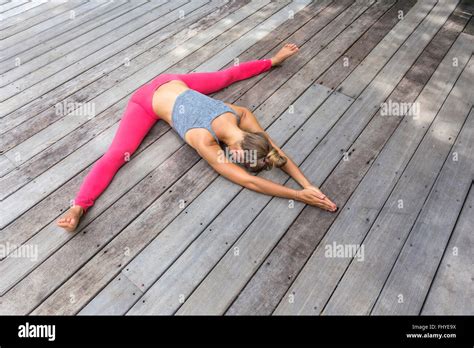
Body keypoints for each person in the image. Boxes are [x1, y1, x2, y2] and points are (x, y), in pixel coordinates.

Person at [57, 43, 337, 232]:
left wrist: (308, 185)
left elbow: (274, 151)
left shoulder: (241, 115)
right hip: (146, 101)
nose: (236, 163)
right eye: (240, 160)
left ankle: (271, 61)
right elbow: (251, 181)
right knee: (117, 155)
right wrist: (300, 196)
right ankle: (80, 205)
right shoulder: (206, 141)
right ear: (239, 151)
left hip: (177, 82)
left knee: (226, 77)